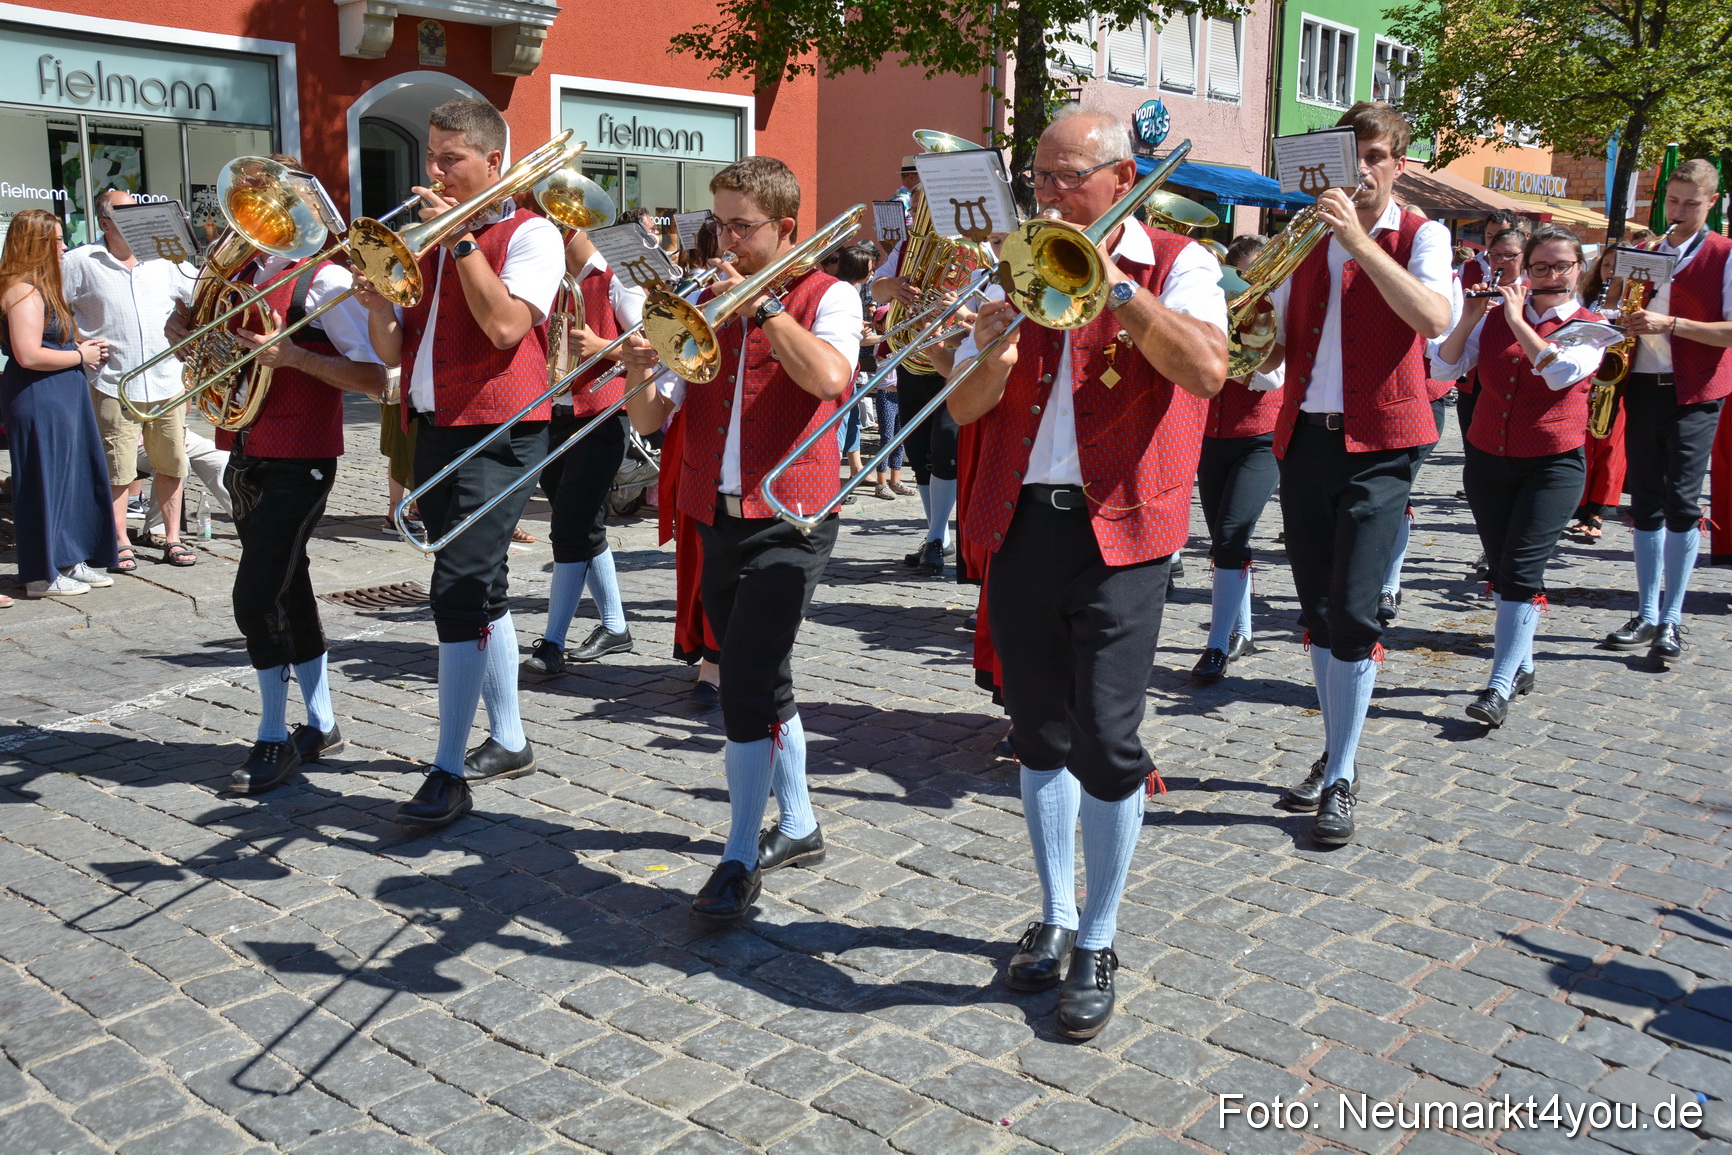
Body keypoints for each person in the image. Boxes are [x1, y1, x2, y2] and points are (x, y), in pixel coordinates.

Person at [949, 105, 1228, 1038]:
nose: (1053, 195)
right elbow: (964, 407)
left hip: (1124, 531)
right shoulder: (1015, 260)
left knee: (1109, 738)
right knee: (1037, 732)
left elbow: (1207, 372)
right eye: (1042, 178)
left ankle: (1100, 935)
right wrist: (990, 337)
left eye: (1070, 178)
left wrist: (1118, 290)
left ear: (1120, 177)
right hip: (1025, 523)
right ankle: (1056, 912)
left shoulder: (1180, 262)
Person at [625, 155, 861, 926]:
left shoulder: (833, 297)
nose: (721, 239)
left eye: (740, 226)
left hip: (792, 515)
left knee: (744, 683)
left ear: (785, 229)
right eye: (715, 222)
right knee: (761, 674)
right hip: (713, 511)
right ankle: (798, 821)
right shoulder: (703, 298)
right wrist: (636, 369)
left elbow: (829, 378)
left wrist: (762, 308)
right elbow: (651, 422)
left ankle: (735, 855)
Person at [355, 98, 565, 828]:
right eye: (432, 157)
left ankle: (447, 769)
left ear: (493, 164)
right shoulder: (425, 239)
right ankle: (507, 737)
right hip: (434, 424)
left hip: (499, 430)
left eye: (451, 159)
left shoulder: (532, 233)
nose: (433, 172)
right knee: (484, 585)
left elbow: (507, 325)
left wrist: (465, 240)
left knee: (458, 589)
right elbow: (391, 349)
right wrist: (377, 298)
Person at [1260, 102, 1456, 847]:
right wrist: (1245, 324)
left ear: (1399, 164)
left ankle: (1342, 772)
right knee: (1315, 608)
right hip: (1305, 437)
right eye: (1354, 156)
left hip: (1383, 443)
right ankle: (1336, 747)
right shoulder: (1305, 237)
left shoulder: (1422, 233)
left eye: (1378, 156)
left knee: (1353, 609)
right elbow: (1275, 347)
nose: (1365, 169)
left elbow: (1432, 317)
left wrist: (1360, 244)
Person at [213, 154, 389, 793]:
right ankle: (321, 721)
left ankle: (271, 736)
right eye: (250, 200)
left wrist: (292, 358)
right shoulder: (243, 274)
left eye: (268, 201)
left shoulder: (323, 282)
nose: (254, 215)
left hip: (302, 456)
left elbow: (377, 377)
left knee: (255, 596)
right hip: (248, 448)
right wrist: (192, 330)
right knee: (291, 586)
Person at [1431, 224, 1605, 726]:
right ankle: (1523, 662)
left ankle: (1499, 683)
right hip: (1487, 459)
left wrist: (1515, 317)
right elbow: (1443, 371)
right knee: (1503, 570)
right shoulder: (1493, 318)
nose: (1551, 275)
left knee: (1522, 572)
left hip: (1553, 464)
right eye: (1540, 267)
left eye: (1561, 267)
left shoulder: (1594, 325)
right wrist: (1468, 318)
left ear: (1579, 269)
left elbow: (1557, 372)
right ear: (1525, 270)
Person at [1601, 158, 1732, 664]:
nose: (1678, 212)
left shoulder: (1723, 253)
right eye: (1672, 202)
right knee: (1646, 503)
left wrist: (1670, 322)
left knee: (1681, 502)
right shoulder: (1647, 249)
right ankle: (1647, 611)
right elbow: (1613, 311)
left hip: (1695, 390)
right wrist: (1617, 310)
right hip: (1643, 386)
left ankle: (1673, 617)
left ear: (1711, 203)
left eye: (1690, 204)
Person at [523, 221, 649, 678]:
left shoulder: (618, 280)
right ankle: (615, 625)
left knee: (569, 528)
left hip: (601, 416)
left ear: (571, 228)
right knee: (583, 525)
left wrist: (602, 347)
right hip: (551, 413)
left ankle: (553, 641)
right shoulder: (548, 279)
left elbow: (649, 350)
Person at [61, 189, 198, 572]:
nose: (139, 218)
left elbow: (199, 297)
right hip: (111, 380)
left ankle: (171, 537)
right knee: (117, 467)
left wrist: (186, 326)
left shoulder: (165, 258)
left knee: (172, 462)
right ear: (106, 223)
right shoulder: (80, 261)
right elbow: (53, 305)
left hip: (166, 378)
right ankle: (119, 538)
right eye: (126, 213)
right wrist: (76, 340)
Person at [0, 210, 116, 597]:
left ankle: (69, 557)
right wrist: (79, 356)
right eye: (56, 241)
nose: (65, 247)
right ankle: (40, 574)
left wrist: (82, 348)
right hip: (39, 395)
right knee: (43, 483)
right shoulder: (22, 289)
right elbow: (29, 354)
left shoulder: (43, 288)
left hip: (62, 393)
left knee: (72, 479)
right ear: (35, 245)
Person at [1192, 234, 1283, 683]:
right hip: (1211, 436)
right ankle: (1242, 630)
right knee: (1223, 540)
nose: (1244, 288)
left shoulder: (1277, 314)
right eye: (1238, 279)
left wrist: (1241, 351)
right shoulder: (1215, 308)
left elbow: (1274, 378)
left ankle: (1215, 647)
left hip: (1261, 439)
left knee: (1230, 536)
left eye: (1253, 278)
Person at [1568, 229, 1654, 542]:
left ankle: (1599, 513)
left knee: (1611, 447)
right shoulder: (1588, 298)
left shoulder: (1637, 301)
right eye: (1606, 265)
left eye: (1618, 266)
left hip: (1621, 381)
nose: (1611, 272)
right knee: (1585, 445)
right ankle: (1578, 507)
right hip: (1589, 379)